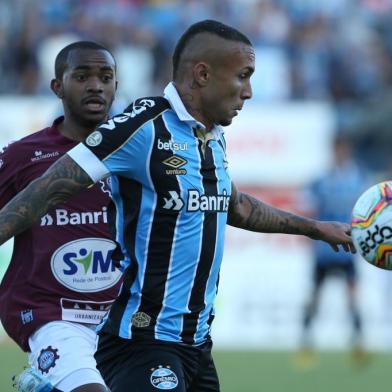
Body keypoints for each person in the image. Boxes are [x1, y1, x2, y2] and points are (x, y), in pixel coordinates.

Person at [0, 20, 355, 392]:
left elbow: (238, 208)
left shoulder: (211, 137)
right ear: (202, 74)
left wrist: (315, 228)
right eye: (242, 76)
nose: (248, 92)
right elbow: (46, 190)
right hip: (141, 342)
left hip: (196, 345)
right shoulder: (142, 127)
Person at [1, 41, 120, 392]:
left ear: (116, 85)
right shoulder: (24, 155)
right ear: (58, 86)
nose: (96, 85)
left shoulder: (136, 152)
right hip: (48, 313)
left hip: (119, 319)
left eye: (106, 77)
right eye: (82, 76)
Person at [297, 135, 367, 366]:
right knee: (315, 299)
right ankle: (306, 345)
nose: (340, 154)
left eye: (343, 150)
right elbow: (307, 208)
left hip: (348, 250)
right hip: (324, 251)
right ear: (333, 151)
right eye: (337, 150)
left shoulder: (357, 179)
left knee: (353, 299)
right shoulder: (321, 181)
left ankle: (358, 345)